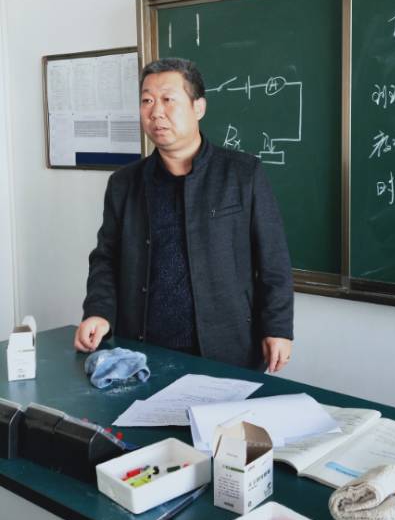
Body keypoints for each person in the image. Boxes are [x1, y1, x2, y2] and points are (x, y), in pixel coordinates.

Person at [73, 58, 294, 372]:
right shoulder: (124, 183)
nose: (156, 112)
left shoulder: (242, 174)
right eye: (147, 101)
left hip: (227, 349)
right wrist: (98, 312)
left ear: (198, 107)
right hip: (142, 351)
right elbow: (106, 258)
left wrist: (278, 328)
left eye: (168, 99)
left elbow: (274, 261)